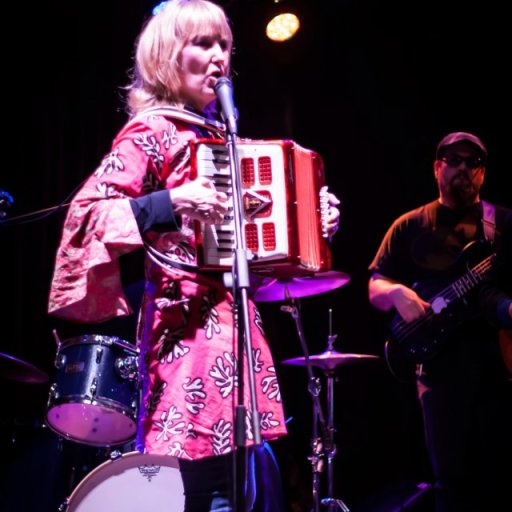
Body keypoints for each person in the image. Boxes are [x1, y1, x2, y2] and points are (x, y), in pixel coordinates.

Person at [47, 1, 341, 510]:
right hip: (186, 344)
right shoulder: (152, 130)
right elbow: (86, 216)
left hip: (240, 341)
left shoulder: (221, 139)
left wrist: (313, 224)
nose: (218, 57)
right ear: (166, 58)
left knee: (244, 491)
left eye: (224, 45)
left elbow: (259, 252)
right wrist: (171, 202)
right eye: (202, 44)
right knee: (201, 493)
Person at [368, 131, 512, 511]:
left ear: (483, 173)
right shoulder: (410, 225)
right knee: (450, 483)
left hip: (498, 367)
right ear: (437, 168)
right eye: (454, 160)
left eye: (473, 162)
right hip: (438, 373)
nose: (463, 167)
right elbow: (375, 285)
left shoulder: (503, 224)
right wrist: (397, 294)